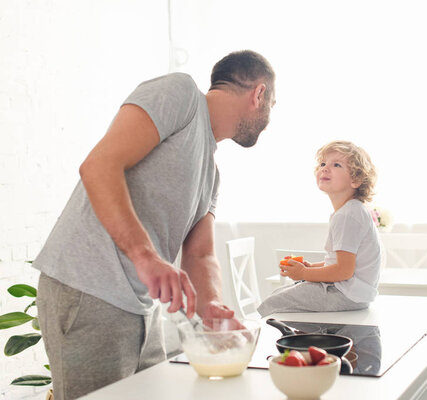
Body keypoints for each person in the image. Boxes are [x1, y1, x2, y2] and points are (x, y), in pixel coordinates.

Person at [32, 50, 276, 400]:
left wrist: (211, 308)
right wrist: (147, 258)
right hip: (89, 289)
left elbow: (201, 254)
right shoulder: (181, 94)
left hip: (141, 309)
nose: (268, 117)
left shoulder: (212, 174)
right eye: (271, 105)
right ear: (259, 94)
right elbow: (99, 166)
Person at [257, 140, 381, 316]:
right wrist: (312, 267)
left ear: (356, 180)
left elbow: (344, 271)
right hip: (352, 293)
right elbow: (340, 263)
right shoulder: (351, 211)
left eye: (336, 165)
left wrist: (304, 273)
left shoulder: (347, 215)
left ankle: (255, 340)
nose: (325, 168)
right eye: (323, 163)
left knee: (274, 302)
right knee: (279, 294)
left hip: (346, 294)